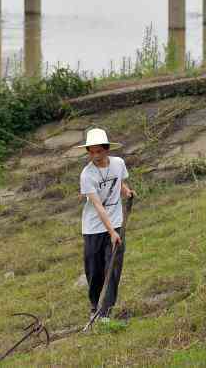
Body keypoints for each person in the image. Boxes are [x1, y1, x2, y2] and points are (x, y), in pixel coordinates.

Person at [77, 127, 134, 319]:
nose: (95, 156)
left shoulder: (118, 163)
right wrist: (111, 232)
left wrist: (126, 191)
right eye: (91, 152)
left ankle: (106, 312)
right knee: (94, 270)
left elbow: (118, 182)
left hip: (115, 222)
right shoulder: (87, 174)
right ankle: (95, 306)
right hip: (93, 228)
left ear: (107, 149)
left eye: (99, 151)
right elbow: (98, 206)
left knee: (113, 267)